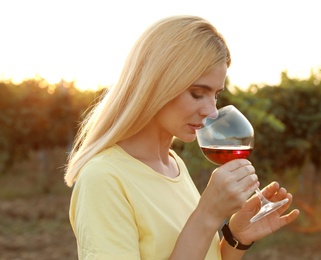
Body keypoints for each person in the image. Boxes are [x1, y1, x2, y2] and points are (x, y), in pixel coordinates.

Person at [64, 15, 300, 259]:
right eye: (198, 93)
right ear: (156, 85)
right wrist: (207, 215)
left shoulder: (175, 165)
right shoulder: (104, 179)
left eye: (216, 95)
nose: (211, 111)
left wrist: (236, 239)